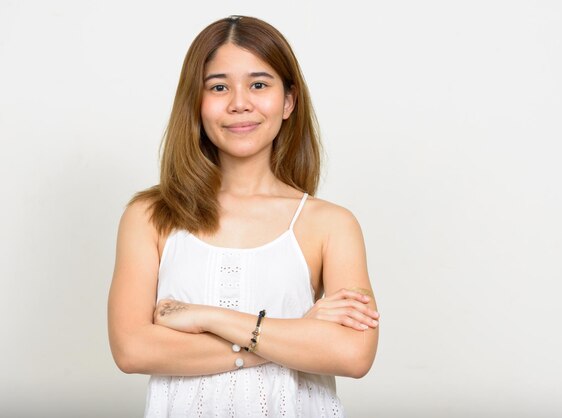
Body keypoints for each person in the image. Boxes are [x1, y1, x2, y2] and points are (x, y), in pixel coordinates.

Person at [107, 15, 379, 417]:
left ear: (288, 101)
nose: (239, 103)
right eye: (218, 87)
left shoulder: (331, 224)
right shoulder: (150, 217)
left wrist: (205, 316)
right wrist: (297, 332)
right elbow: (132, 350)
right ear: (196, 103)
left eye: (259, 84)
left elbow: (353, 355)